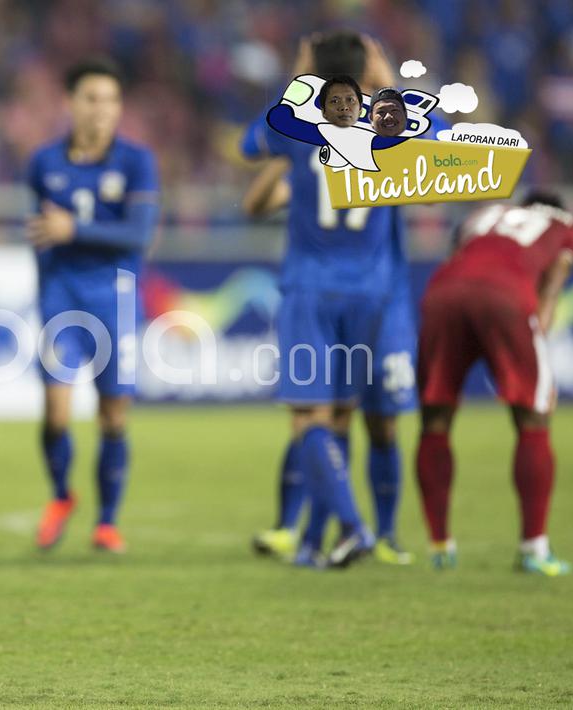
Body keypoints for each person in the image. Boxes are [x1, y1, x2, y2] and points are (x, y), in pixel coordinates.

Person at [242, 32, 424, 568]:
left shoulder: (298, 125)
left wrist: (300, 81)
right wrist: (387, 84)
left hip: (311, 289)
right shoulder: (390, 127)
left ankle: (354, 528)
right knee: (343, 416)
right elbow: (438, 132)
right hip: (371, 292)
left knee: (310, 419)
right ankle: (319, 540)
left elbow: (250, 145)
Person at [25, 57, 160, 553]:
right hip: (62, 296)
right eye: (91, 98)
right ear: (71, 103)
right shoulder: (44, 162)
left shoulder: (137, 161)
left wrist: (74, 229)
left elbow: (139, 234)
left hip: (115, 296)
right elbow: (41, 231)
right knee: (56, 410)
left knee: (113, 414)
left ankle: (106, 521)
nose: (102, 109)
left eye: (110, 100)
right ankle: (62, 494)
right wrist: (47, 289)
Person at [415, 193, 573, 576]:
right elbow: (550, 289)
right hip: (505, 295)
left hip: (443, 293)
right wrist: (538, 353)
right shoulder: (565, 226)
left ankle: (440, 546)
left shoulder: (485, 214)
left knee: (435, 418)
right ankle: (533, 549)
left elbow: (458, 256)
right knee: (534, 417)